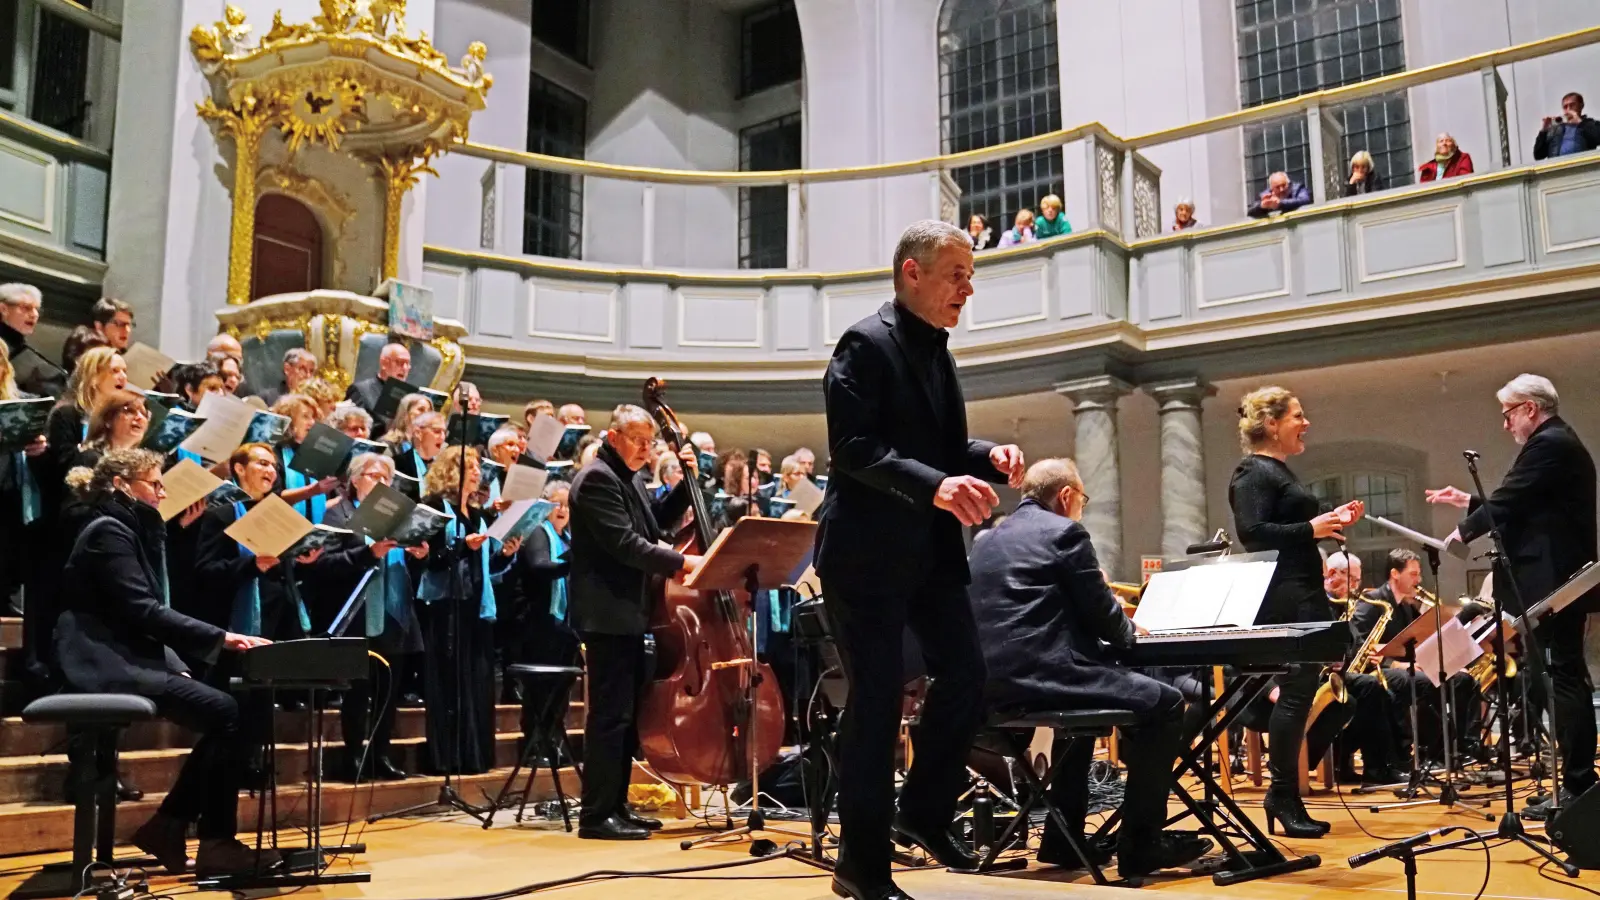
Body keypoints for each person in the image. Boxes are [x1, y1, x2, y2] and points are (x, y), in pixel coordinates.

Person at [816, 219, 1026, 900]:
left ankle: (924, 813)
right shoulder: (864, 344)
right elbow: (854, 448)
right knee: (875, 703)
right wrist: (938, 483)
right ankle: (861, 866)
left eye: (970, 275)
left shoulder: (938, 351)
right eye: (957, 274)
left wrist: (984, 456)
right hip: (866, 555)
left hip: (928, 552)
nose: (969, 287)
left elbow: (935, 446)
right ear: (913, 272)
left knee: (967, 675)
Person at [968, 458, 1211, 876]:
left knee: (1082, 722)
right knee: (1167, 703)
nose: (1082, 507)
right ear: (1065, 496)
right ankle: (1142, 843)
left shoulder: (987, 539)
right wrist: (1136, 631)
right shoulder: (1065, 532)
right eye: (1082, 498)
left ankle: (1064, 839)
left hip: (989, 685)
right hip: (1045, 675)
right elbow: (1108, 622)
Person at [55, 449, 276, 876]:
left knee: (232, 709)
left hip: (126, 653)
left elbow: (142, 611)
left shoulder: (127, 529)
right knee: (226, 712)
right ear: (121, 485)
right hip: (103, 661)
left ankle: (173, 827)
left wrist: (176, 662)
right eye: (154, 484)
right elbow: (143, 610)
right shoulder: (109, 531)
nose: (162, 492)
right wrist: (221, 636)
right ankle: (205, 839)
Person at [1426, 374, 1596, 818]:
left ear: (1530, 410)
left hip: (1557, 579)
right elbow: (1524, 501)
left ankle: (1579, 787)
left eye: (1508, 414)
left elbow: (1511, 500)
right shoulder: (1555, 442)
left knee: (1564, 678)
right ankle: (1575, 785)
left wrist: (1460, 533)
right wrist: (1468, 501)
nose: (1506, 425)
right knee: (1563, 677)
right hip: (1558, 577)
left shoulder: (1549, 443)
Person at [1228, 386, 1363, 838]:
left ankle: (1286, 795)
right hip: (1282, 596)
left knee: (1302, 693)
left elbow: (1287, 526)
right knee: (1295, 694)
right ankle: (1283, 794)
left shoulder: (1278, 471)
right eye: (1297, 416)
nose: (1305, 423)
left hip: (1301, 589)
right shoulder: (1253, 471)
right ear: (1271, 424)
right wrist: (1312, 526)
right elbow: (1252, 532)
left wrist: (1329, 519)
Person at [566, 405, 699, 840]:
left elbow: (655, 522)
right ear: (613, 435)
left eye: (649, 441)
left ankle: (616, 806)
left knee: (622, 716)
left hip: (627, 613)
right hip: (606, 614)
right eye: (637, 439)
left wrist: (685, 486)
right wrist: (682, 562)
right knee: (609, 717)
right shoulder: (598, 479)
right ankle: (596, 815)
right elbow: (627, 544)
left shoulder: (626, 477)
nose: (645, 448)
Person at [315, 452, 427, 781]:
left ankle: (380, 754)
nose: (381, 483)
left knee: (387, 694)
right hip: (357, 616)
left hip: (395, 614)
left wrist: (420, 556)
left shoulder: (400, 519)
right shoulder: (337, 514)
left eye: (386, 479)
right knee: (356, 694)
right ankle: (352, 756)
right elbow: (324, 566)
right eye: (373, 476)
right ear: (354, 480)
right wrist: (368, 553)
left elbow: (413, 571)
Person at [415, 444, 520, 774]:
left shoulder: (477, 514)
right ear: (451, 471)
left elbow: (487, 569)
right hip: (444, 608)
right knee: (448, 682)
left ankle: (474, 756)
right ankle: (447, 758)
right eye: (470, 467)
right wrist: (461, 547)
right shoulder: (433, 506)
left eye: (477, 467)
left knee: (476, 681)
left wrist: (504, 554)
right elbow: (425, 560)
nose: (477, 472)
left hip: (475, 607)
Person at [1351, 549, 1479, 768]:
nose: (1418, 580)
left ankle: (1451, 748)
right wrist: (1396, 663)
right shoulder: (1372, 602)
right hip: (1377, 672)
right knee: (1431, 682)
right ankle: (1422, 752)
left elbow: (1420, 645)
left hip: (1407, 667)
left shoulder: (1407, 607)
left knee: (1463, 680)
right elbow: (1360, 646)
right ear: (1395, 573)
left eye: (1419, 574)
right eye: (1413, 574)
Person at [194, 443, 322, 640]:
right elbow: (206, 570)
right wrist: (252, 565)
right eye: (263, 464)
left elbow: (285, 571)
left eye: (274, 466)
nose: (271, 471)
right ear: (239, 469)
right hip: (235, 619)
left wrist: (305, 562)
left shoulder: (278, 512)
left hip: (280, 617)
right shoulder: (221, 513)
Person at [1322, 552, 1405, 786]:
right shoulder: (1320, 602)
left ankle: (1385, 764)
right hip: (1324, 675)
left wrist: (1364, 655)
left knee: (1385, 693)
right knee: (1371, 688)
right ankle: (1375, 769)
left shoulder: (1346, 604)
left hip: (1344, 672)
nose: (1356, 586)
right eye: (1353, 579)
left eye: (1358, 580)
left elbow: (1356, 642)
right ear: (1331, 574)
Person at [270, 394, 340, 523]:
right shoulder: (274, 452)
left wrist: (344, 500)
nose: (312, 422)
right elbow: (272, 499)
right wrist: (313, 491)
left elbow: (317, 506)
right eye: (305, 416)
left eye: (314, 417)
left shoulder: (316, 455)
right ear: (288, 418)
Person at [1, 283, 66, 396]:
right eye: (26, 308)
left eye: (37, 309)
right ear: (3, 309)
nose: (34, 315)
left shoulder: (38, 366)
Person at [346, 342, 411, 435]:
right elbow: (350, 428)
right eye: (400, 362)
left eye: (407, 364)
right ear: (384, 363)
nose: (404, 368)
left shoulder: (409, 397)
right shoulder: (361, 390)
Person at [1533, 92, 1600, 160]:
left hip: (1582, 168)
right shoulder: (1555, 130)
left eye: (1572, 105)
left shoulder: (1589, 124)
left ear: (1581, 106)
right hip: (1557, 168)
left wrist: (1580, 123)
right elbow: (1538, 155)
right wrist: (1544, 131)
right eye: (1565, 107)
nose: (1568, 109)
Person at [396, 410, 446, 483]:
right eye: (437, 431)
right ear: (418, 433)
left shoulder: (441, 469)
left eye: (444, 432)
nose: (442, 437)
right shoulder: (400, 463)